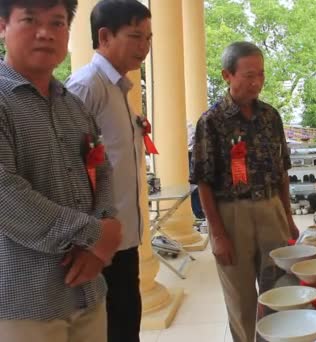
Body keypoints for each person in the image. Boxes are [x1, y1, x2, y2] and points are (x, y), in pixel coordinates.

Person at [0, 1, 123, 341]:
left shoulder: (73, 105)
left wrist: (101, 232)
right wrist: (94, 234)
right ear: (2, 26)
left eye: (57, 22)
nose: (45, 33)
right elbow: (5, 193)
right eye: (29, 20)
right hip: (25, 302)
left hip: (88, 292)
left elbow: (101, 169)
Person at [190, 41, 300, 342]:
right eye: (249, 75)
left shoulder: (270, 117)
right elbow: (203, 181)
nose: (257, 82)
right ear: (227, 75)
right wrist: (218, 234)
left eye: (261, 74)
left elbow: (281, 172)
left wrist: (287, 217)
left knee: (279, 290)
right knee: (241, 301)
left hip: (270, 209)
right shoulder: (211, 121)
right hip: (231, 215)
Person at [66, 1, 152, 341]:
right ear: (104, 36)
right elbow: (69, 166)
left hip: (122, 239)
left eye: (148, 38)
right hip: (97, 243)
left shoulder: (119, 88)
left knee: (126, 325)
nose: (144, 47)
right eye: (135, 36)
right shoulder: (87, 86)